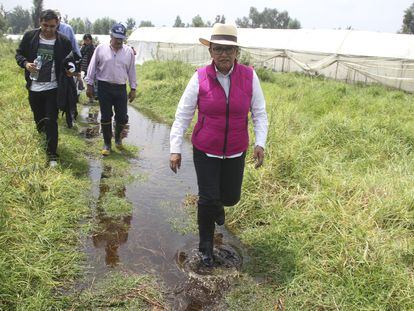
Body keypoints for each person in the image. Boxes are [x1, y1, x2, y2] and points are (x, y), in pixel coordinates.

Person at [169, 23, 268, 267]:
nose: (223, 54)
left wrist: (260, 142)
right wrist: (175, 149)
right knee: (207, 197)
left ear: (237, 52)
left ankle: (218, 206)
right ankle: (205, 249)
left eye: (229, 49)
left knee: (230, 197)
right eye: (218, 49)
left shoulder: (249, 76)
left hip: (236, 149)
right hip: (206, 150)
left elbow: (259, 112)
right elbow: (183, 114)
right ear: (210, 52)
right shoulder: (200, 77)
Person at [15, 9, 74, 167]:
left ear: (58, 24)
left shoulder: (63, 41)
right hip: (34, 87)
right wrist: (26, 64)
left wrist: (70, 69)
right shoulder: (30, 37)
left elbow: (71, 59)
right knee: (39, 119)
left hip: (53, 88)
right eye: (45, 25)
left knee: (51, 121)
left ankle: (52, 155)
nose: (48, 29)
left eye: (52, 26)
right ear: (39, 22)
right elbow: (19, 54)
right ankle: (43, 137)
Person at [85, 23, 137, 156]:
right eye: (116, 37)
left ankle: (118, 138)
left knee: (122, 118)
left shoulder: (128, 52)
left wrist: (133, 88)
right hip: (104, 87)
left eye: (121, 38)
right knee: (106, 116)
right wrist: (89, 84)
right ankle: (107, 143)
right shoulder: (100, 49)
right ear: (111, 36)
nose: (119, 41)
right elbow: (92, 67)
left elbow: (132, 71)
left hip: (120, 88)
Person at [80, 34, 95, 103]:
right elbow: (80, 56)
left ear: (91, 40)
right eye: (85, 40)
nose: (86, 41)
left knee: (91, 82)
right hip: (84, 67)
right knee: (87, 81)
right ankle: (91, 96)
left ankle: (91, 97)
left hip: (90, 68)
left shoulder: (92, 48)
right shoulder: (83, 48)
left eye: (88, 40)